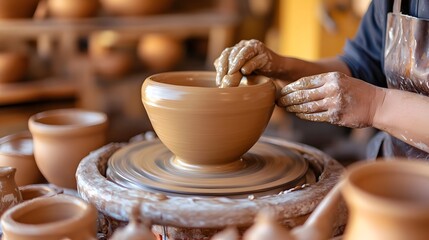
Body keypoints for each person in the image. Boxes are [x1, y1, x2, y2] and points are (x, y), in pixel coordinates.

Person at [214, 0, 429, 160]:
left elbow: (370, 98)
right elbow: (360, 65)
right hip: (392, 169)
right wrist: (280, 66)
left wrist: (374, 104)